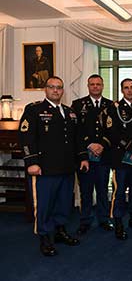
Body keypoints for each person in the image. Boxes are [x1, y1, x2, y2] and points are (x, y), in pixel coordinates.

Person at [19, 76, 89, 256]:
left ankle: (59, 231)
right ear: (45, 89)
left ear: (63, 90)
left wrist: (82, 157)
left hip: (66, 168)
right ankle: (44, 237)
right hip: (44, 168)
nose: (56, 90)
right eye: (52, 87)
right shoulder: (35, 110)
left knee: (63, 203)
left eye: (59, 87)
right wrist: (31, 161)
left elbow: (77, 138)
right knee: (44, 205)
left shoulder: (69, 111)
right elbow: (26, 137)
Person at [71, 74, 114, 235]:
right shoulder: (77, 104)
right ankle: (85, 221)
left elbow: (113, 130)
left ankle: (104, 219)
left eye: (98, 84)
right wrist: (90, 144)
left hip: (104, 156)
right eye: (92, 84)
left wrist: (102, 144)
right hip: (85, 156)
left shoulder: (110, 105)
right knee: (86, 191)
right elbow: (75, 130)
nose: (95, 87)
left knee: (103, 190)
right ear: (88, 86)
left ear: (103, 86)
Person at [105, 78, 132, 240]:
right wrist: (131, 147)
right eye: (126, 88)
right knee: (119, 192)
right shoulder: (113, 108)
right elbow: (112, 133)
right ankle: (119, 221)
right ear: (122, 90)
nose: (129, 90)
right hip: (121, 158)